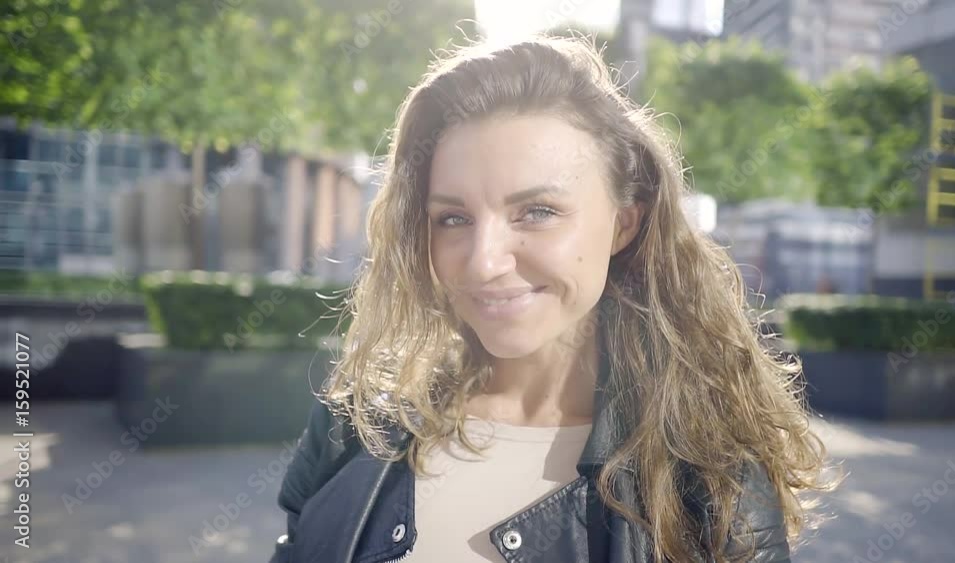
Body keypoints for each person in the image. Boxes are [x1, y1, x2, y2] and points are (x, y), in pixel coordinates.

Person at [268, 35, 838, 563]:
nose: (484, 262)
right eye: (453, 218)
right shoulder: (356, 423)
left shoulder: (709, 471)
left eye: (537, 212)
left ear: (623, 224)